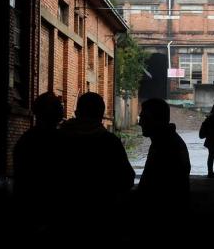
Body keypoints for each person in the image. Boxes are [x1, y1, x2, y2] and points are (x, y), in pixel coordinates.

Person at [56, 92, 135, 236]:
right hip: (102, 218)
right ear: (101, 115)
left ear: (76, 112)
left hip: (64, 217)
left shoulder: (57, 140)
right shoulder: (109, 142)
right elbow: (127, 178)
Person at [13, 92, 64, 233]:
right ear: (60, 116)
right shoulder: (65, 142)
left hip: (29, 212)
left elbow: (21, 179)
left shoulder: (25, 141)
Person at [137, 98, 191, 199]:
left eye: (143, 118)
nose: (140, 123)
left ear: (155, 119)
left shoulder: (167, 146)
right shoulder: (162, 141)